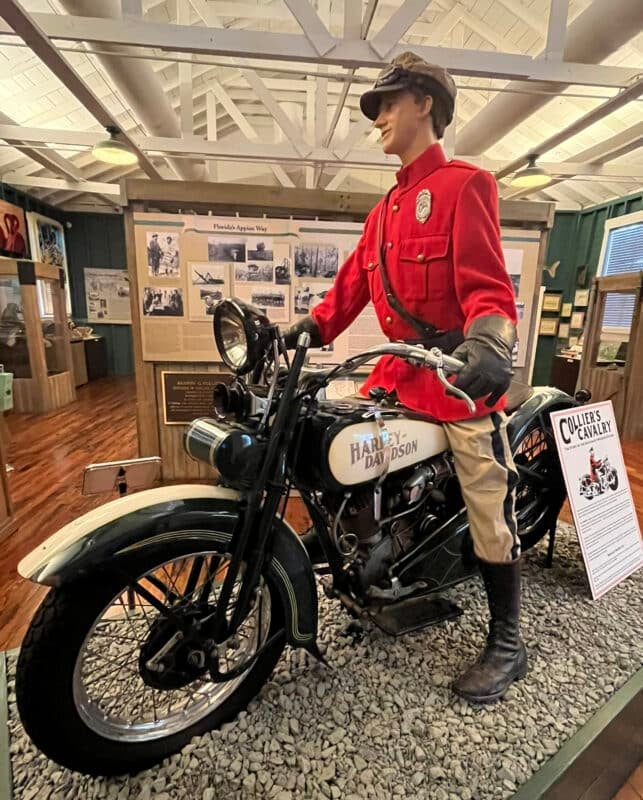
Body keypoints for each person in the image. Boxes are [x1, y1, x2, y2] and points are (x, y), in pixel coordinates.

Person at [284, 52, 523, 705]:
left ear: (424, 103)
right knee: (342, 449)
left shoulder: (466, 186)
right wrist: (308, 328)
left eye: (389, 103)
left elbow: (489, 288)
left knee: (487, 491)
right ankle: (370, 550)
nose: (379, 118)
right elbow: (349, 290)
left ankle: (508, 642)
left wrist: (488, 340)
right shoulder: (384, 210)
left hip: (453, 379)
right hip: (396, 374)